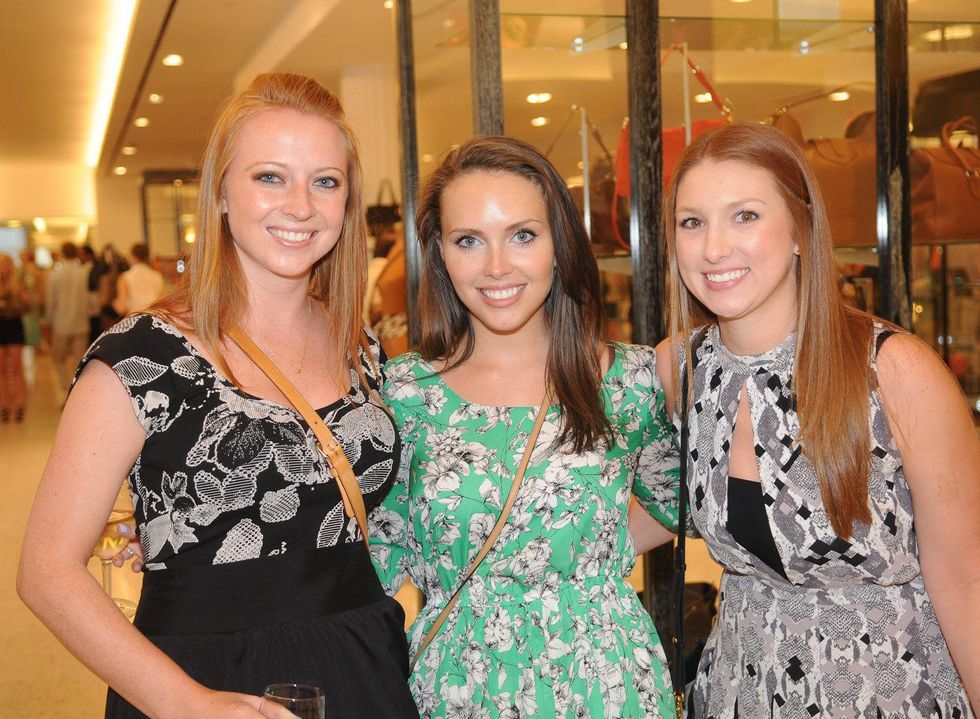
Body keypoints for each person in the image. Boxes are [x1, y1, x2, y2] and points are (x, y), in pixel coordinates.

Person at [18, 72, 418, 719]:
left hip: (359, 663)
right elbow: (46, 569)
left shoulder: (361, 345)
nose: (301, 205)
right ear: (222, 192)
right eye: (270, 177)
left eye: (325, 180)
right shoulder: (144, 355)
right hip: (202, 679)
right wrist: (185, 702)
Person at [649, 122, 979, 716]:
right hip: (740, 689)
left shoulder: (893, 371)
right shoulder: (680, 368)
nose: (714, 247)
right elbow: (634, 508)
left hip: (887, 692)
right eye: (692, 222)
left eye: (745, 216)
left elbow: (967, 579)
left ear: (800, 230)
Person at [369, 136, 681, 717]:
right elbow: (374, 547)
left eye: (522, 235)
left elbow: (680, 499)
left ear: (558, 244)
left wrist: (581, 555)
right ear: (440, 252)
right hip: (459, 684)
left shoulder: (627, 380)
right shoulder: (405, 392)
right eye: (469, 241)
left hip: (602, 680)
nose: (496, 267)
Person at [45, 241, 91, 393]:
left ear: (62, 253)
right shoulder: (83, 272)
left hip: (61, 322)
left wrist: (48, 320)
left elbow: (51, 301)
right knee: (79, 359)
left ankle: (65, 387)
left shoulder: (55, 275)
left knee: (59, 358)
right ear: (76, 253)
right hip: (81, 322)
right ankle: (78, 388)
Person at [0, 253, 29, 422]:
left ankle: (19, 404)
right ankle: (4, 404)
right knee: (1, 368)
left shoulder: (18, 284)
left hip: (14, 326)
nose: (4, 268)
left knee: (17, 367)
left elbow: (26, 307)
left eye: (7, 264)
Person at [112, 242, 165, 316]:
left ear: (132, 256)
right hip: (155, 318)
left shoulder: (125, 277)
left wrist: (114, 303)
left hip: (135, 319)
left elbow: (122, 308)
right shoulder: (157, 276)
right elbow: (162, 301)